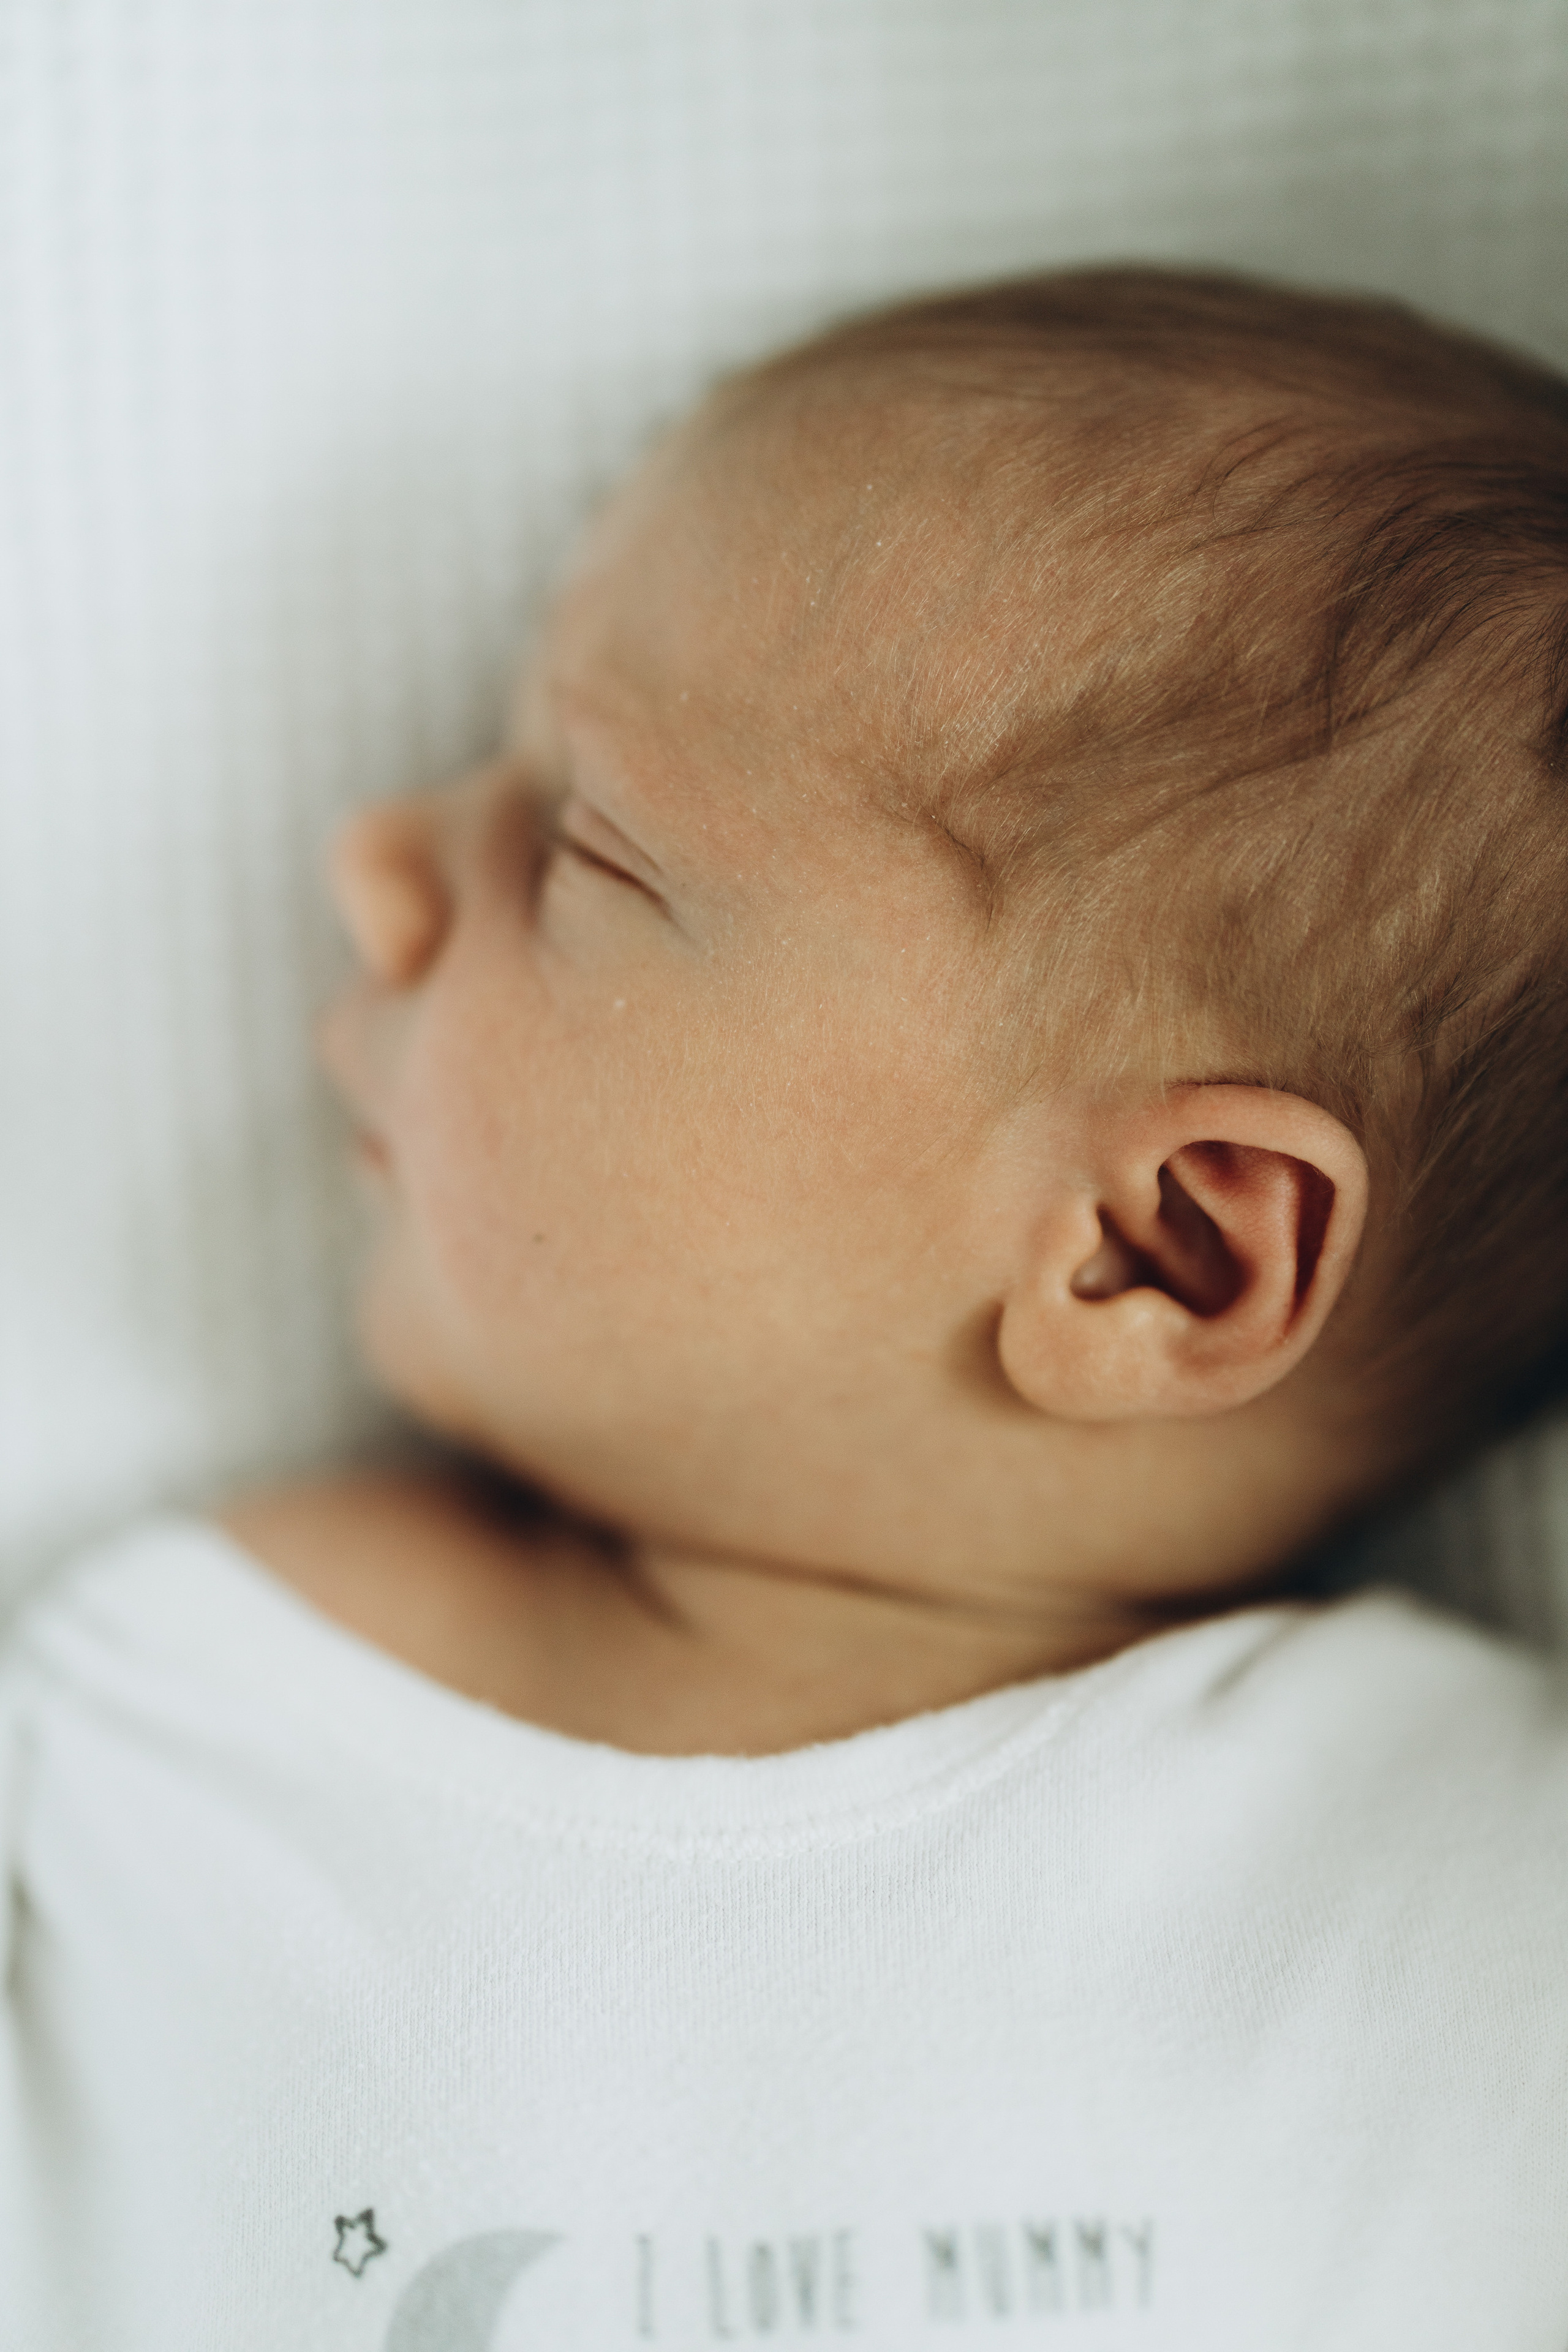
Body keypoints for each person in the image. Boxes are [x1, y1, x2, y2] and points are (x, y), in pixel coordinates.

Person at [5, 266, 1568, 2351]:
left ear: (1154, 1254)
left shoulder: (1472, 1900)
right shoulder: (176, 1717)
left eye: (576, 844)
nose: (380, 857)